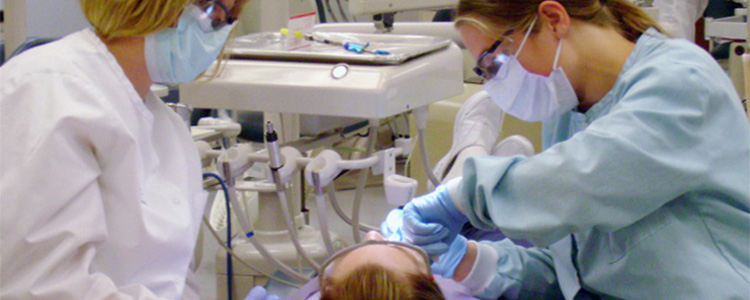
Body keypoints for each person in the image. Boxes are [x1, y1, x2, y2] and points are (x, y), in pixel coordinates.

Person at [396, 0, 750, 299]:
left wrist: (459, 197)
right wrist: (468, 262)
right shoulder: (569, 115)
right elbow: (573, 269)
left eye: (496, 63)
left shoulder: (682, 80)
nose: (494, 84)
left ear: (553, 19)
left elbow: (585, 177)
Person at [0, 0, 265, 299]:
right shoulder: (48, 90)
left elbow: (172, 282)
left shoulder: (167, 130)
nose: (218, 28)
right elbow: (42, 289)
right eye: (211, 8)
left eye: (226, 18)